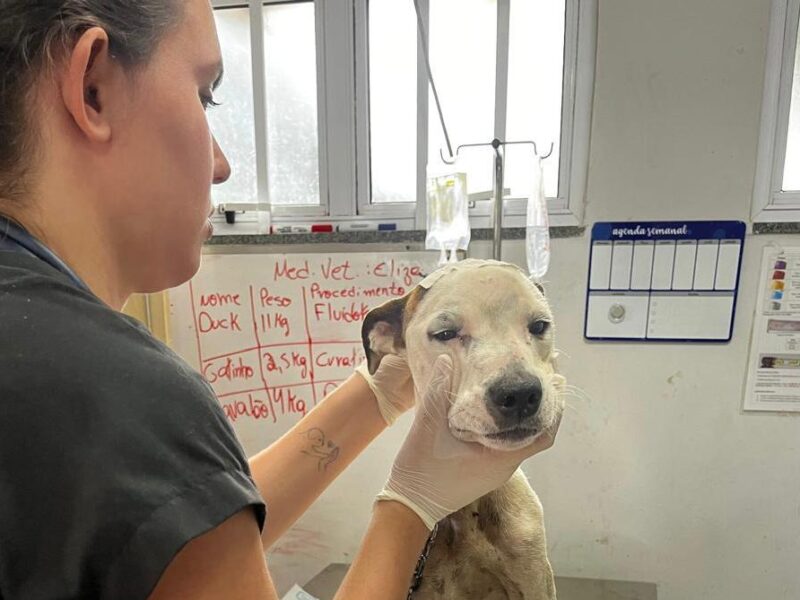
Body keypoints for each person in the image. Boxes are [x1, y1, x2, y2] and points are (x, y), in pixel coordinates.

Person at [0, 1, 560, 598]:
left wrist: (379, 392)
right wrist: (411, 501)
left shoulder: (41, 362)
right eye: (205, 95)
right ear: (93, 89)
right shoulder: (121, 395)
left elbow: (174, 524)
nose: (222, 164)